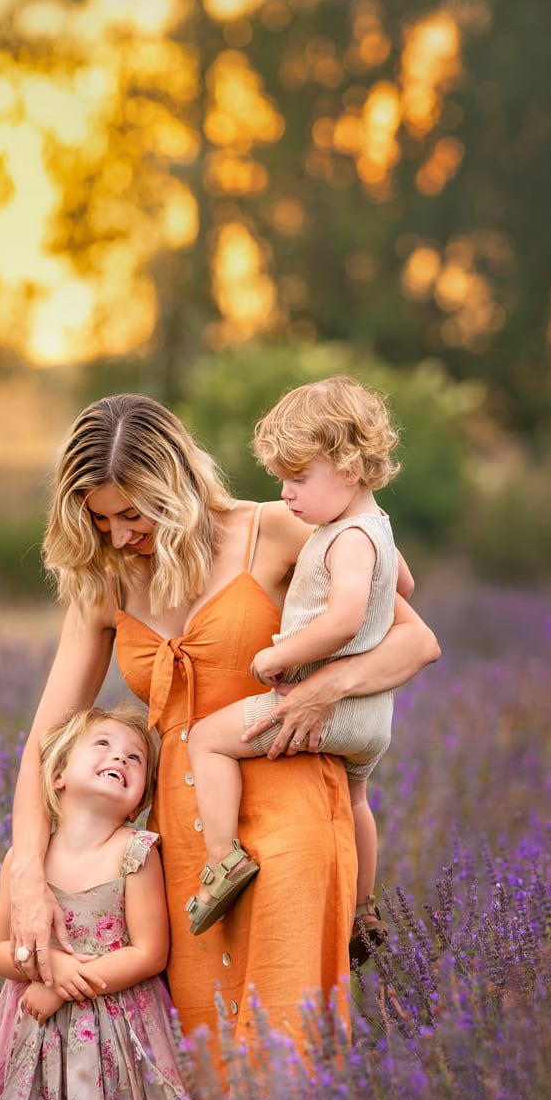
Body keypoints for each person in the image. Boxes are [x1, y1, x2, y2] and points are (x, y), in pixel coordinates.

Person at [7, 393, 440, 1058]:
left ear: (177, 484)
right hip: (186, 851)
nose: (120, 535)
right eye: (100, 520)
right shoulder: (108, 584)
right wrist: (29, 876)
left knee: (281, 1059)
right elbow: (46, 741)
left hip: (293, 817)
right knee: (198, 1068)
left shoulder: (276, 529)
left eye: (133, 512)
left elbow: (412, 639)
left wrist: (321, 691)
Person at [185, 376, 411, 966]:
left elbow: (342, 621)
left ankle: (222, 858)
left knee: (207, 739)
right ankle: (360, 909)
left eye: (299, 478)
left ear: (354, 468)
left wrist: (276, 657)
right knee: (356, 802)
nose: (286, 494)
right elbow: (403, 588)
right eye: (281, 479)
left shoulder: (348, 540)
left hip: (326, 706)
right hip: (370, 719)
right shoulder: (375, 529)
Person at [0, 704, 201, 1100]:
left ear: (137, 802)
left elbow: (149, 952)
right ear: (58, 775)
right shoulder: (24, 861)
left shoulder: (135, 853)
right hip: (39, 1031)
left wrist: (58, 983)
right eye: (103, 745)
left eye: (136, 759)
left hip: (117, 1025)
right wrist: (48, 965)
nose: (121, 759)